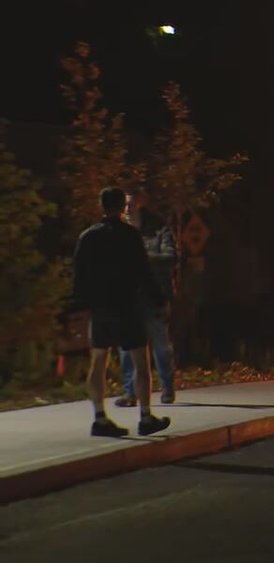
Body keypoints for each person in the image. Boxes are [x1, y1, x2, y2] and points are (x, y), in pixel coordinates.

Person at [72, 187, 171, 437]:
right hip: (127, 304)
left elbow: (79, 275)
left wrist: (82, 305)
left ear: (101, 206)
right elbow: (144, 272)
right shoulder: (130, 236)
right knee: (141, 361)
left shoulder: (88, 237)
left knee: (98, 361)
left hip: (101, 308)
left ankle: (99, 417)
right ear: (121, 207)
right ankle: (146, 416)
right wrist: (159, 300)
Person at [114, 195, 177, 406]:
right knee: (126, 349)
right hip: (129, 299)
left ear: (140, 204)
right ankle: (129, 393)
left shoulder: (159, 230)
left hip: (154, 297)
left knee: (161, 347)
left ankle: (167, 388)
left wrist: (142, 258)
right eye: (124, 206)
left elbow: (171, 257)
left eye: (130, 204)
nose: (127, 209)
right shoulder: (119, 233)